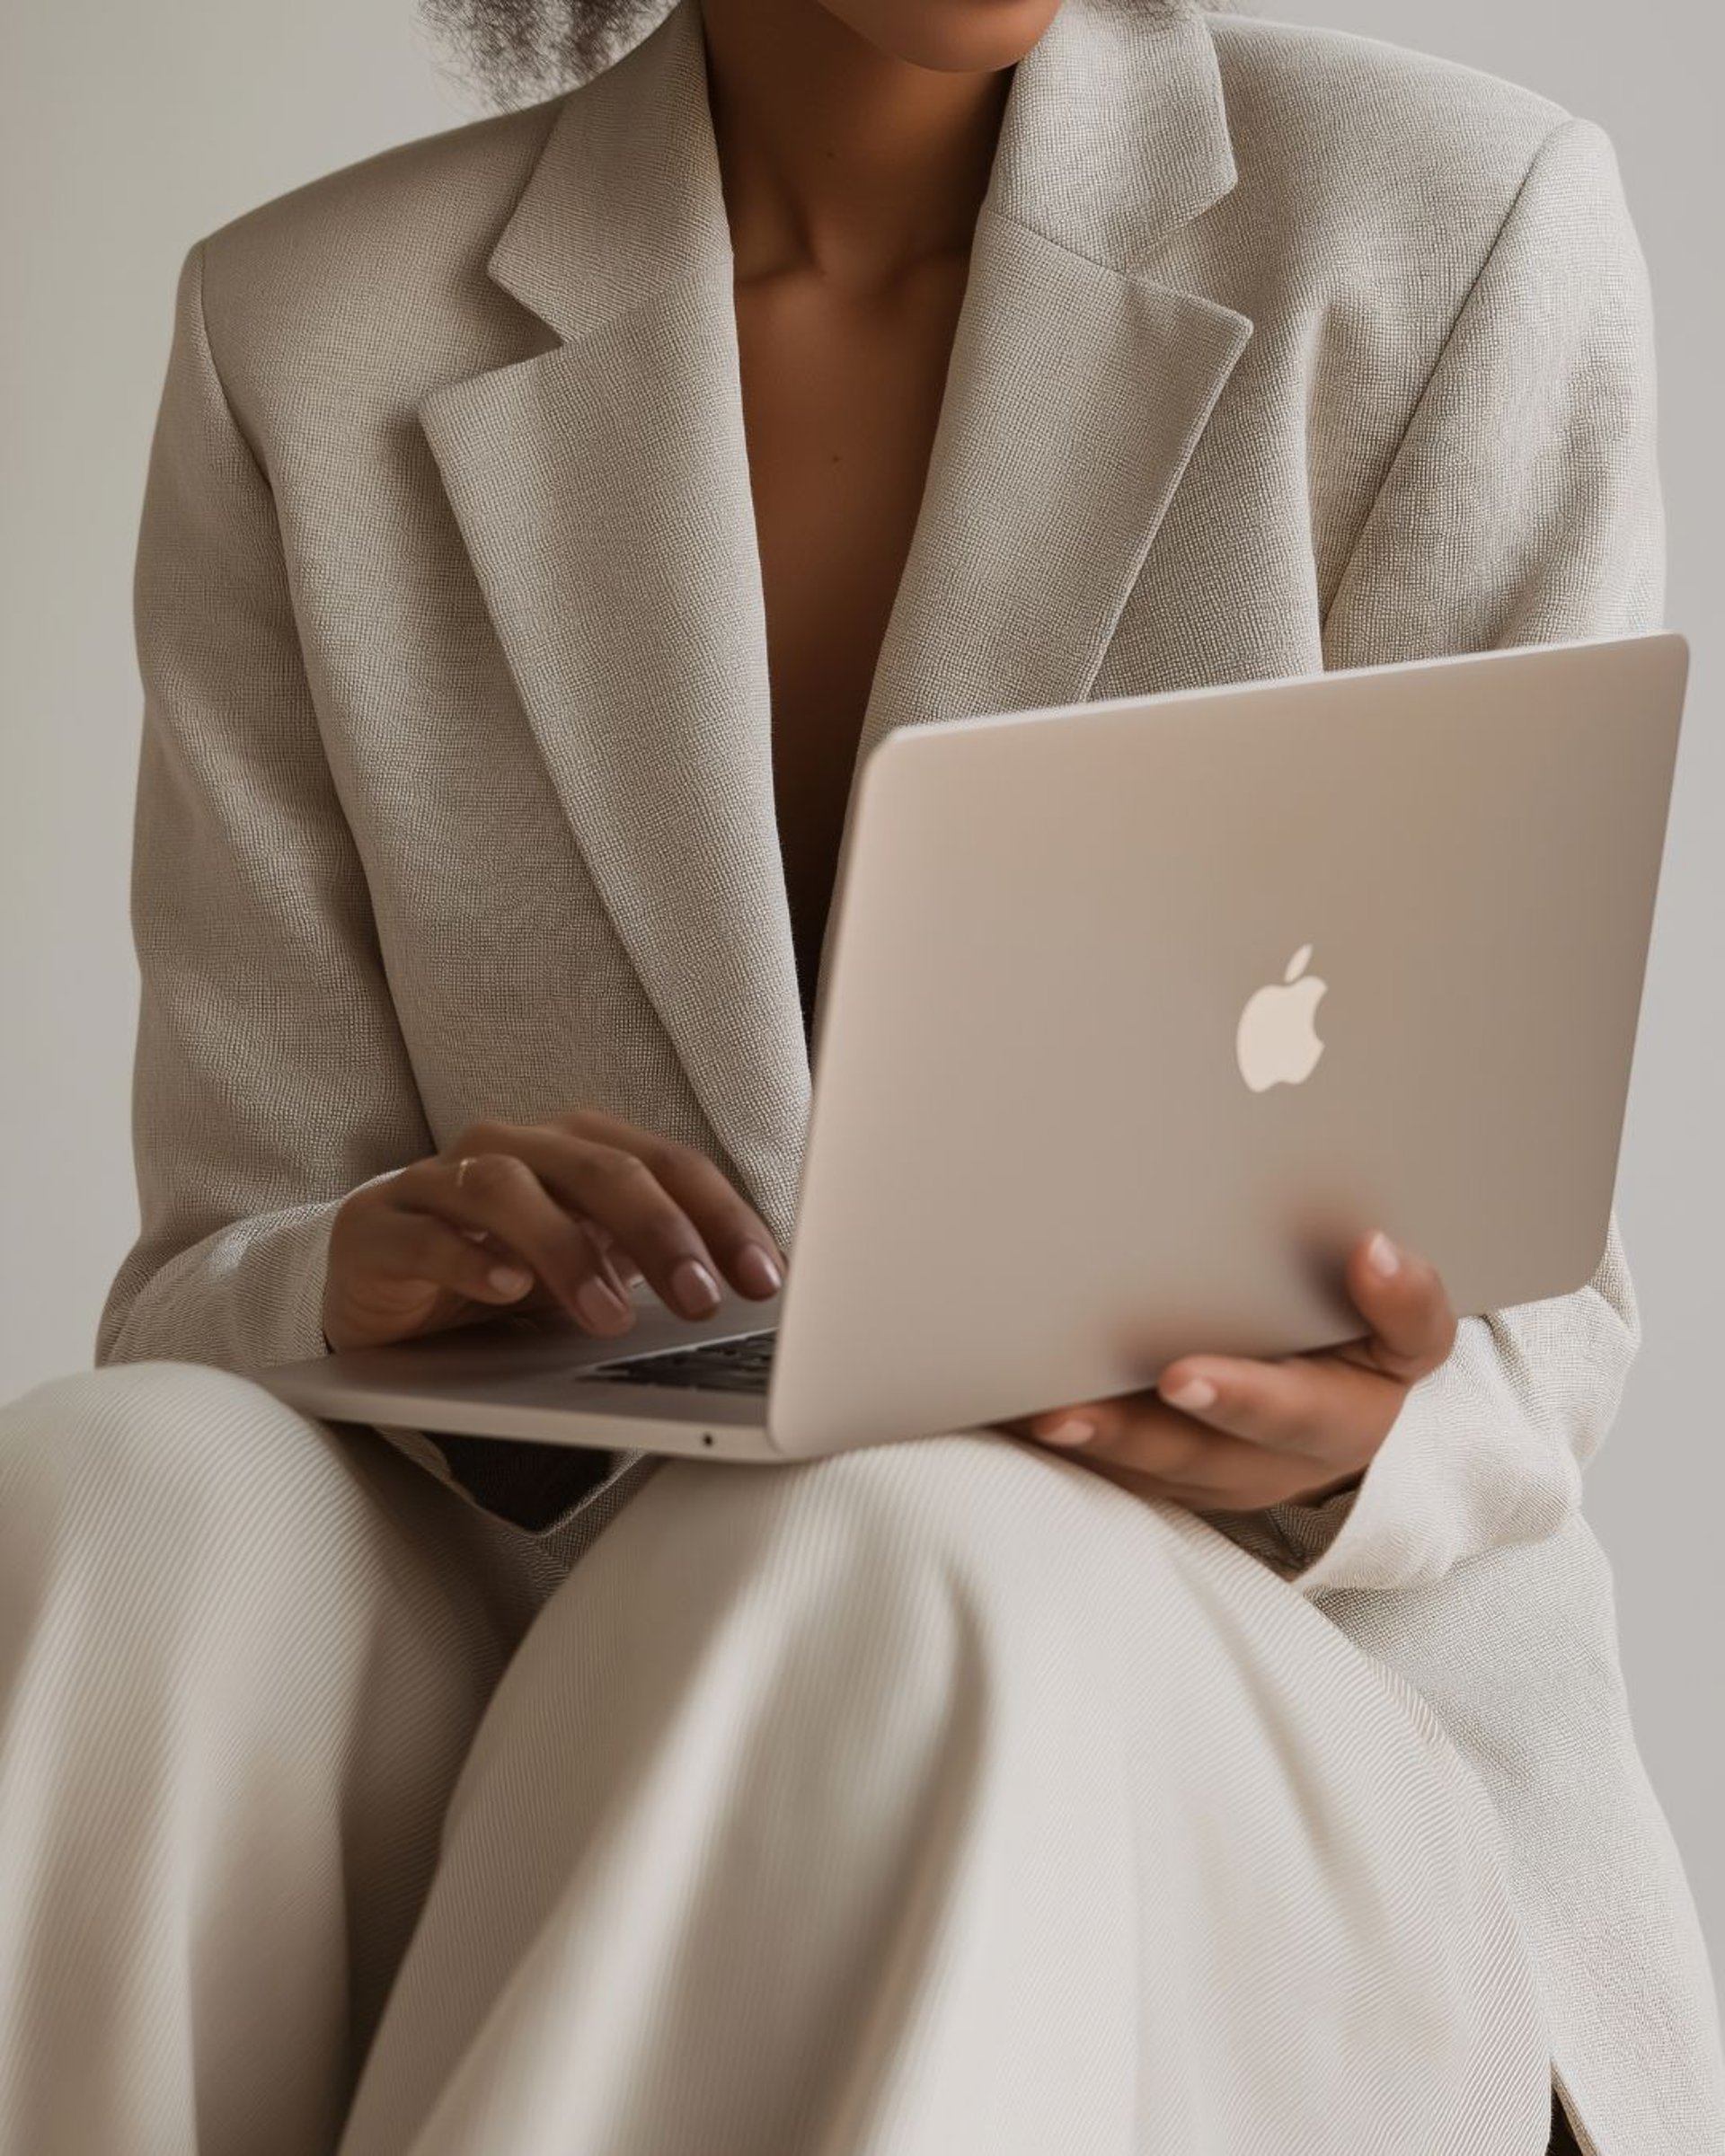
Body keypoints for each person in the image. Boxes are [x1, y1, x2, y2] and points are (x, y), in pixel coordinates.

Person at [0, 0, 1720, 2147]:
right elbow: (200, 1283)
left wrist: (1337, 1436)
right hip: (577, 1680)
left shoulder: (1448, 229)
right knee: (116, 1491)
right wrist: (358, 1272)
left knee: (868, 1551)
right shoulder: (309, 340)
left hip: (1276, 1748)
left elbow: (1538, 1309)